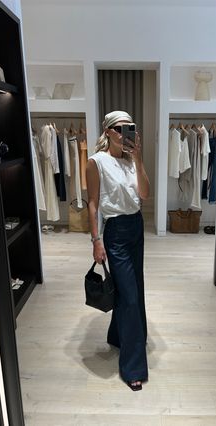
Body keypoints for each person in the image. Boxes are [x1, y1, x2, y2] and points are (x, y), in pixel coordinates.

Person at [86, 111, 150, 391]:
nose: (127, 133)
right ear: (109, 131)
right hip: (115, 233)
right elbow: (91, 203)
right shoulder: (96, 162)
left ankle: (118, 335)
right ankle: (133, 366)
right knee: (131, 297)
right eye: (122, 128)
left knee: (135, 288)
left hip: (137, 226)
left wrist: (138, 158)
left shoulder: (130, 162)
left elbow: (145, 195)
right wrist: (96, 240)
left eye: (131, 128)